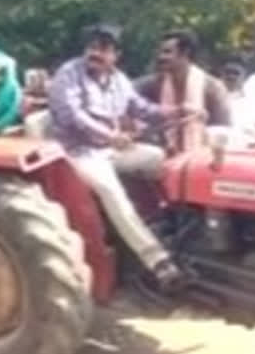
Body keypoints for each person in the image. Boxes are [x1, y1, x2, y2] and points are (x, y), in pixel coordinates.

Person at [48, 23, 198, 292]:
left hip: (109, 150)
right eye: (92, 46)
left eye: (103, 48)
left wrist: (178, 110)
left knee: (161, 161)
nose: (95, 52)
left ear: (116, 55)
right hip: (76, 152)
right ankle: (158, 261)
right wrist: (109, 135)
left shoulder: (118, 80)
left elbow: (143, 109)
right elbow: (72, 115)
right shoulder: (68, 74)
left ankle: (173, 230)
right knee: (111, 190)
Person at [135, 29, 230, 154]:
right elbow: (129, 103)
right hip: (161, 158)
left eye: (167, 52)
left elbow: (223, 131)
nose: (161, 57)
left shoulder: (212, 88)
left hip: (201, 160)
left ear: (185, 53)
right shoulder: (152, 84)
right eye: (160, 52)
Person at [221, 57, 255, 147]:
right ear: (221, 74)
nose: (231, 76)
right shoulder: (211, 99)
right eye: (228, 72)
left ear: (244, 76)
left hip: (246, 155)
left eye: (236, 73)